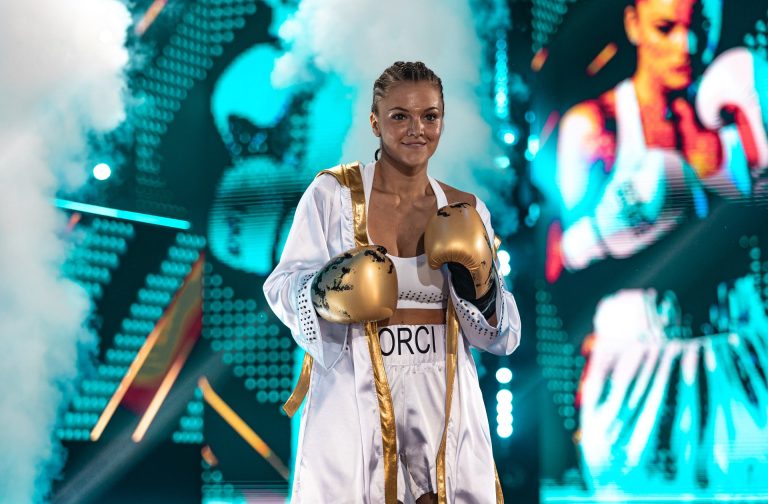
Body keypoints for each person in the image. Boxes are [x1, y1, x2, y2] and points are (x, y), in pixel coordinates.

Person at [264, 61, 521, 503]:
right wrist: (326, 292)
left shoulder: (466, 207)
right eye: (400, 115)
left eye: (430, 116)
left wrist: (480, 287)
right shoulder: (332, 195)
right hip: (354, 392)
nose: (417, 129)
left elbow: (500, 338)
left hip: (444, 395)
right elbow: (281, 286)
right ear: (375, 122)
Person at [546, 0, 768, 494]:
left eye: (699, 26)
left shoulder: (732, 111)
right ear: (633, 24)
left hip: (739, 345)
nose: (685, 46)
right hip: (638, 364)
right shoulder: (597, 126)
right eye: (666, 27)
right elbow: (558, 265)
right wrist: (608, 225)